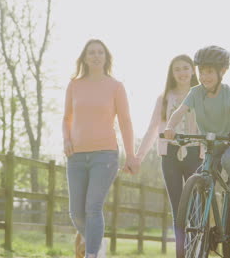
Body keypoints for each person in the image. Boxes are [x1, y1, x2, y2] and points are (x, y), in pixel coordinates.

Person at [63, 39, 138, 258]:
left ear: (106, 57)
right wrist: (66, 140)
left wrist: (131, 154)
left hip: (105, 156)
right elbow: (66, 118)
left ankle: (92, 254)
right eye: (91, 53)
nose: (96, 56)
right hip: (76, 156)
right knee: (76, 212)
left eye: (100, 52)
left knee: (93, 207)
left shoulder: (115, 86)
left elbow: (125, 121)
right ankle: (96, 244)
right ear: (84, 58)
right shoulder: (74, 85)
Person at [163, 46, 230, 213]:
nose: (204, 77)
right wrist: (170, 126)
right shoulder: (195, 93)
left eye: (210, 72)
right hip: (214, 146)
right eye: (202, 72)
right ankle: (206, 227)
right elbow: (179, 112)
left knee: (228, 160)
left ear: (223, 71)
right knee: (202, 176)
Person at [133, 54, 202, 237]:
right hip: (169, 154)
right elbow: (152, 129)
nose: (182, 73)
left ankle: (196, 247)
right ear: (171, 73)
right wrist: (138, 157)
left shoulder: (201, 95)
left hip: (195, 153)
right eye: (177, 69)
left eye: (185, 68)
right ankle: (181, 250)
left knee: (196, 205)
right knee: (178, 207)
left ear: (192, 70)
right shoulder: (164, 98)